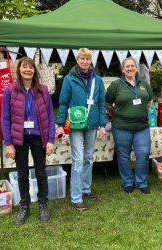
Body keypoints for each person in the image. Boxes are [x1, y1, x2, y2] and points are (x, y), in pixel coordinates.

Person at [2, 57, 56, 224]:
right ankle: (24, 206)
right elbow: (5, 118)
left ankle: (43, 204)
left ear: (35, 71)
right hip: (20, 138)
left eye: (31, 67)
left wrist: (51, 140)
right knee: (22, 174)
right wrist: (8, 143)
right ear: (19, 70)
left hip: (39, 137)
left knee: (41, 172)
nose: (27, 70)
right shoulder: (10, 91)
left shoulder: (43, 90)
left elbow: (50, 116)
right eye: (24, 67)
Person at [56, 48, 106, 211]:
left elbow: (101, 104)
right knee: (77, 159)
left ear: (91, 60)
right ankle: (76, 197)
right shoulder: (69, 80)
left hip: (92, 123)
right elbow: (63, 103)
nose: (85, 61)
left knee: (88, 157)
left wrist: (102, 124)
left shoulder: (97, 80)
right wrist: (60, 124)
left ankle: (86, 188)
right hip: (76, 124)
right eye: (82, 58)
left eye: (87, 59)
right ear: (77, 60)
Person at [106, 57, 153, 194]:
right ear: (122, 70)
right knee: (123, 155)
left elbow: (149, 101)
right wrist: (118, 113)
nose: (130, 68)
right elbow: (108, 104)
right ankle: (127, 182)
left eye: (132, 66)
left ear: (136, 68)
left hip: (142, 127)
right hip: (121, 127)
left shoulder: (143, 84)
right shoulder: (116, 85)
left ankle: (141, 182)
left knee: (143, 153)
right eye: (127, 66)